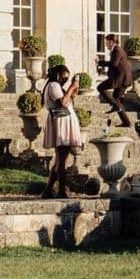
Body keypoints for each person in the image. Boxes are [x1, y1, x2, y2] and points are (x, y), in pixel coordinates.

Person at [41, 61, 81, 197]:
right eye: (64, 77)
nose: (65, 80)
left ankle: (48, 190)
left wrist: (72, 92)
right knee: (62, 160)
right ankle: (61, 191)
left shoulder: (55, 85)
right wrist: (71, 87)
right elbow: (62, 103)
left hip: (63, 121)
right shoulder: (53, 85)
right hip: (62, 122)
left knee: (59, 160)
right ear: (58, 75)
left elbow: (66, 100)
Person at [99, 34, 136, 128]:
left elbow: (114, 63)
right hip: (123, 78)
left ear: (111, 42)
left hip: (121, 79)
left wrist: (100, 62)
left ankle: (115, 105)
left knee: (100, 87)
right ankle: (126, 122)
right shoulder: (116, 50)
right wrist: (105, 72)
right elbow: (116, 66)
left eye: (106, 42)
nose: (106, 44)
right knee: (116, 98)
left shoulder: (117, 50)